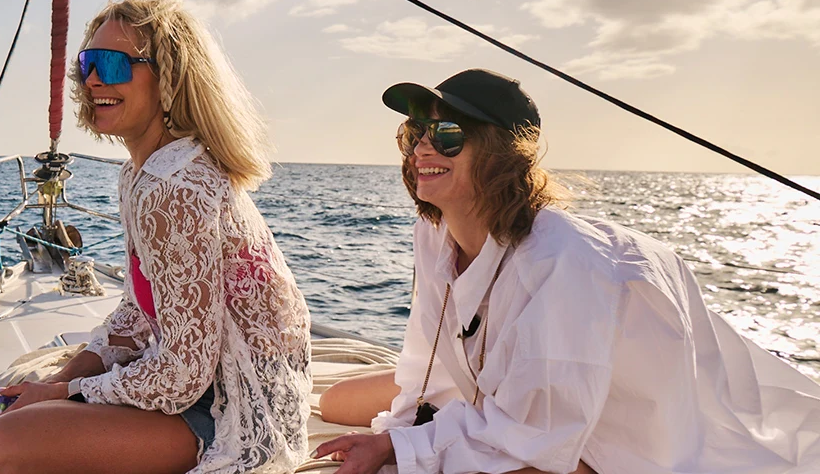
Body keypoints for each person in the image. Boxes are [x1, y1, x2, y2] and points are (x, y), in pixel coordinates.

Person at [315, 68, 820, 474]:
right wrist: (395, 435)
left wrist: (400, 451)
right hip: (514, 400)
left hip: (621, 437)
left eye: (448, 135)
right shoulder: (436, 232)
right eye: (415, 133)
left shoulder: (565, 264)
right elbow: (428, 361)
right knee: (338, 402)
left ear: (499, 154)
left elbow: (535, 437)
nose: (424, 148)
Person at [0, 0, 312, 473]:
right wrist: (64, 376)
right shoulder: (140, 176)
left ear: (168, 76)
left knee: (5, 443)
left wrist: (69, 391)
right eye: (88, 63)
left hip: (230, 411)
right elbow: (139, 308)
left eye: (112, 65)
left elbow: (184, 375)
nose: (93, 80)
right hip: (192, 387)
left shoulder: (177, 187)